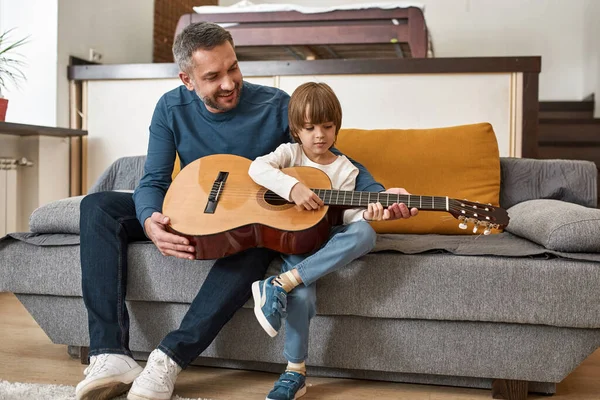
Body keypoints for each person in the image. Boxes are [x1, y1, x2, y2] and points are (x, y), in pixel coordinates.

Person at [75, 22, 417, 400]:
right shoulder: (170, 108)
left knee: (257, 237)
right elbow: (153, 179)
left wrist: (379, 195)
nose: (228, 82)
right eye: (213, 76)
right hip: (190, 207)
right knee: (97, 207)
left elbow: (327, 158)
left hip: (244, 223)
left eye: (233, 68)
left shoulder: (275, 107)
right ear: (186, 80)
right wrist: (149, 220)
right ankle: (109, 353)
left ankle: (169, 358)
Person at [248, 82, 417, 400]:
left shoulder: (348, 170)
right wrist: (292, 188)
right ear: (296, 129)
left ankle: (279, 282)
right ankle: (294, 372)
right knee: (302, 298)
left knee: (366, 232)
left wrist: (379, 209)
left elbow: (359, 213)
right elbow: (258, 168)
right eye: (309, 127)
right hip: (295, 240)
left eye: (327, 126)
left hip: (327, 240)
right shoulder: (290, 153)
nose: (319, 135)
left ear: (337, 126)